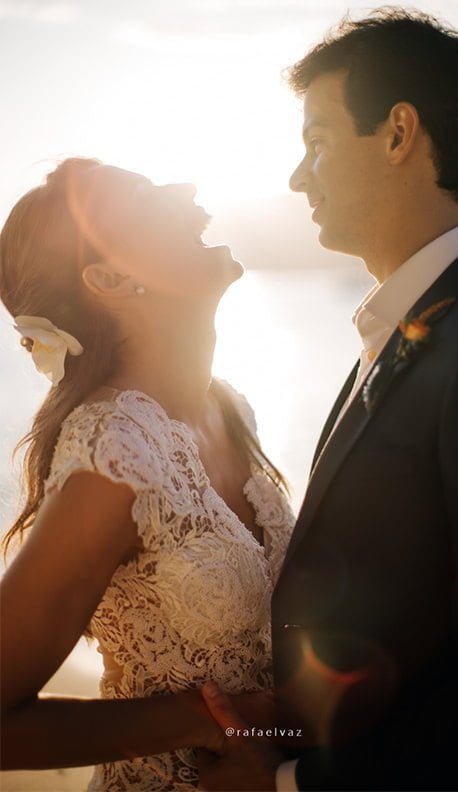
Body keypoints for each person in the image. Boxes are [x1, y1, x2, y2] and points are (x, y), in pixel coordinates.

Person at [193, 9, 458, 791]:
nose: (297, 175)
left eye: (316, 140)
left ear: (398, 133)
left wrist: (286, 786)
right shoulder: (412, 324)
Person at [0, 158, 290, 789]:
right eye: (143, 198)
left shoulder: (228, 407)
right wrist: (195, 721)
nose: (185, 189)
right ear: (110, 277)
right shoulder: (116, 452)